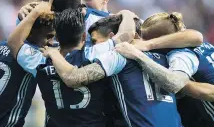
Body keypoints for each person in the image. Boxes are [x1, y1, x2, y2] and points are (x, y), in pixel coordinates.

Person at [42, 15, 182, 127]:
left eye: (95, 41)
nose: (91, 46)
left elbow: (73, 78)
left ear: (111, 37)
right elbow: (177, 84)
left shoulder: (118, 55)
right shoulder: (171, 55)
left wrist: (54, 53)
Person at [116, 12, 214, 126]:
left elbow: (175, 83)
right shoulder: (200, 44)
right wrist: (126, 14)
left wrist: (138, 56)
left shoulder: (182, 55)